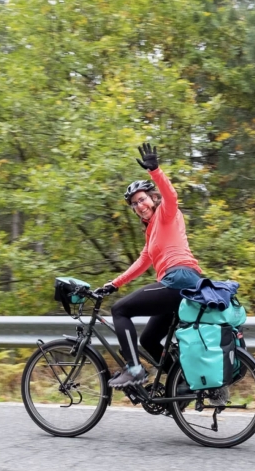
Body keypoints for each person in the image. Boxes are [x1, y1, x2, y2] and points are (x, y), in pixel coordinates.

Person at [99, 143, 203, 388]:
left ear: (152, 198)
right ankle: (183, 383)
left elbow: (171, 195)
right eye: (134, 204)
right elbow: (142, 261)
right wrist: (113, 285)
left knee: (120, 311)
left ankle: (134, 370)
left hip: (181, 279)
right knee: (149, 340)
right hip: (175, 285)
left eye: (142, 199)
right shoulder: (152, 232)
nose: (139, 206)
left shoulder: (167, 214)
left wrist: (155, 171)